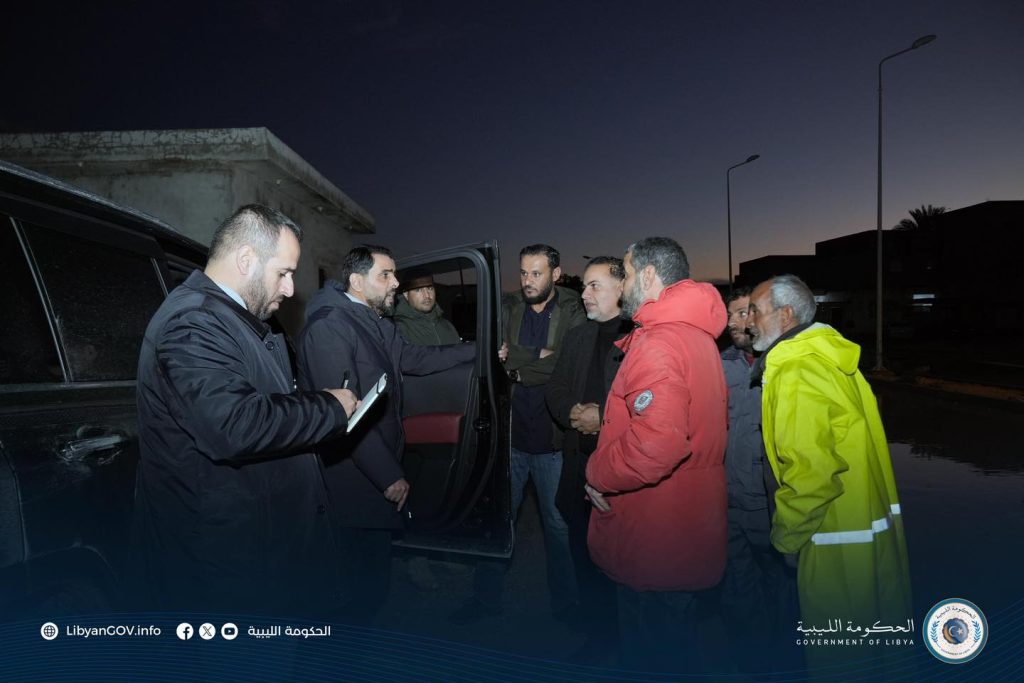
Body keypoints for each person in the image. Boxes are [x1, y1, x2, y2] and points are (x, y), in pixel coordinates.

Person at [135, 204, 359, 615]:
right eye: (284, 273)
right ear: (246, 259)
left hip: (255, 555)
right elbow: (235, 425)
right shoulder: (193, 323)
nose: (289, 289)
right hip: (224, 573)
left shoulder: (232, 320)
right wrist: (329, 407)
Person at [295, 245, 475, 624]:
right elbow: (344, 416)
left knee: (372, 583)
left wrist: (476, 350)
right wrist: (387, 474)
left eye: (394, 274)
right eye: (386, 275)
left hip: (372, 469)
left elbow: (413, 358)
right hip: (353, 477)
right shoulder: (330, 327)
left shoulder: (374, 321)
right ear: (357, 282)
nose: (396, 283)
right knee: (356, 588)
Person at [746, 274, 911, 672]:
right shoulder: (829, 359)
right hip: (859, 529)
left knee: (838, 662)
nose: (748, 321)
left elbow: (811, 474)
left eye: (755, 310)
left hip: (828, 539)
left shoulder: (796, 369)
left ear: (785, 315)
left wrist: (786, 539)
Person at [585, 237, 728, 673]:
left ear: (648, 275)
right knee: (677, 647)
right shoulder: (694, 336)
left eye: (626, 274)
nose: (623, 285)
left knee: (653, 655)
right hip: (684, 524)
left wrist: (597, 472)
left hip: (655, 533)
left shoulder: (659, 343)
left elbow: (657, 446)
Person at [450, 243, 585, 625]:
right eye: (524, 272)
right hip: (509, 438)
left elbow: (564, 364)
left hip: (551, 441)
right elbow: (491, 355)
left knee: (557, 527)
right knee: (498, 521)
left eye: (536, 273)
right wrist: (537, 355)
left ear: (555, 274)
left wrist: (516, 365)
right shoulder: (508, 308)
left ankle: (567, 605)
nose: (528, 281)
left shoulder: (573, 311)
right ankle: (485, 599)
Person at [545, 256, 631, 661]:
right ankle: (598, 637)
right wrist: (573, 414)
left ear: (621, 287)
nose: (585, 294)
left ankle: (626, 640)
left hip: (623, 472)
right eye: (585, 286)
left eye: (595, 285)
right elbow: (555, 388)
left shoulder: (641, 335)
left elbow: (651, 406)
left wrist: (605, 418)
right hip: (579, 467)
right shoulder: (578, 336)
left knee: (625, 561)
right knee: (583, 552)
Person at [718, 286, 795, 672]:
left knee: (780, 588)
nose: (733, 323)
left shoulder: (785, 364)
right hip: (726, 502)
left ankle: (783, 661)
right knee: (737, 587)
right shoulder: (719, 364)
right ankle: (748, 661)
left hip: (769, 505)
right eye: (729, 315)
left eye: (742, 313)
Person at [391, 268, 462, 346]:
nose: (427, 295)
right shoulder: (397, 329)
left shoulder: (447, 326)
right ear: (406, 295)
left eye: (430, 288)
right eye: (418, 290)